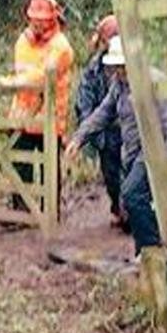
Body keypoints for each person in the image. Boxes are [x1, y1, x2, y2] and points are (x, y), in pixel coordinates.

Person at [65, 36, 167, 253]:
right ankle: (145, 253)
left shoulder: (156, 82)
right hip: (131, 153)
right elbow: (103, 113)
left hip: (153, 151)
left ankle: (152, 251)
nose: (118, 72)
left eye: (121, 67)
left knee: (132, 194)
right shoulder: (119, 86)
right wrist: (79, 138)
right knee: (136, 203)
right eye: (116, 67)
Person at [0, 0, 76, 196]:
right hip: (23, 117)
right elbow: (22, 70)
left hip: (49, 119)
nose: (37, 25)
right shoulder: (23, 42)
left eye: (42, 21)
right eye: (34, 20)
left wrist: (10, 83)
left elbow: (41, 77)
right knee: (20, 167)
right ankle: (21, 213)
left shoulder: (62, 48)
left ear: (53, 20)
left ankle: (49, 217)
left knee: (49, 170)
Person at [74, 14, 126, 228]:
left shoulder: (131, 65)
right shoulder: (93, 71)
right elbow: (86, 103)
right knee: (111, 176)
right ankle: (118, 208)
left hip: (128, 129)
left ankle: (129, 212)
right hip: (106, 132)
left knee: (131, 174)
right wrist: (85, 135)